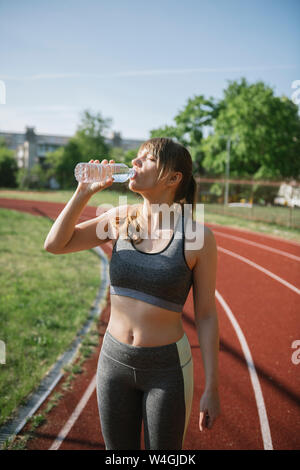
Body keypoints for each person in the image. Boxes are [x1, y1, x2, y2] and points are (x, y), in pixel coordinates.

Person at [44, 137, 220, 450]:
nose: (134, 163)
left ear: (173, 177)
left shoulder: (197, 237)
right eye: (135, 156)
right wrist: (83, 193)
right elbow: (56, 244)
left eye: (146, 158)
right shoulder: (118, 218)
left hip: (166, 371)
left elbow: (206, 315)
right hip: (113, 362)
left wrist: (213, 387)